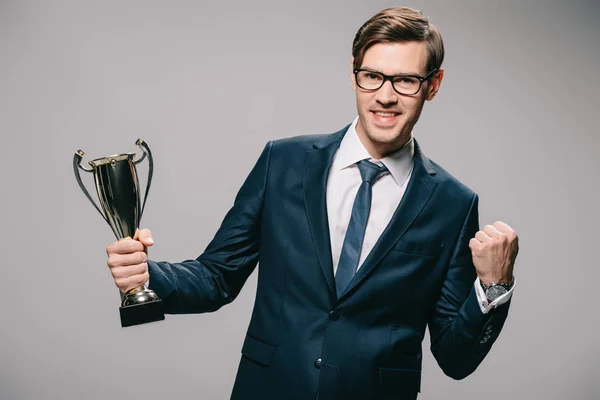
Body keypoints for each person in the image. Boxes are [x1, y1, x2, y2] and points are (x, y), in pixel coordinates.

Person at [106, 6, 519, 400]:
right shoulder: (282, 162)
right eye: (372, 76)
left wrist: (494, 286)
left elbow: (455, 358)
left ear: (433, 85)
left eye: (406, 80)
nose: (385, 96)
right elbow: (217, 278)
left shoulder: (454, 204)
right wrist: (147, 275)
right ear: (354, 74)